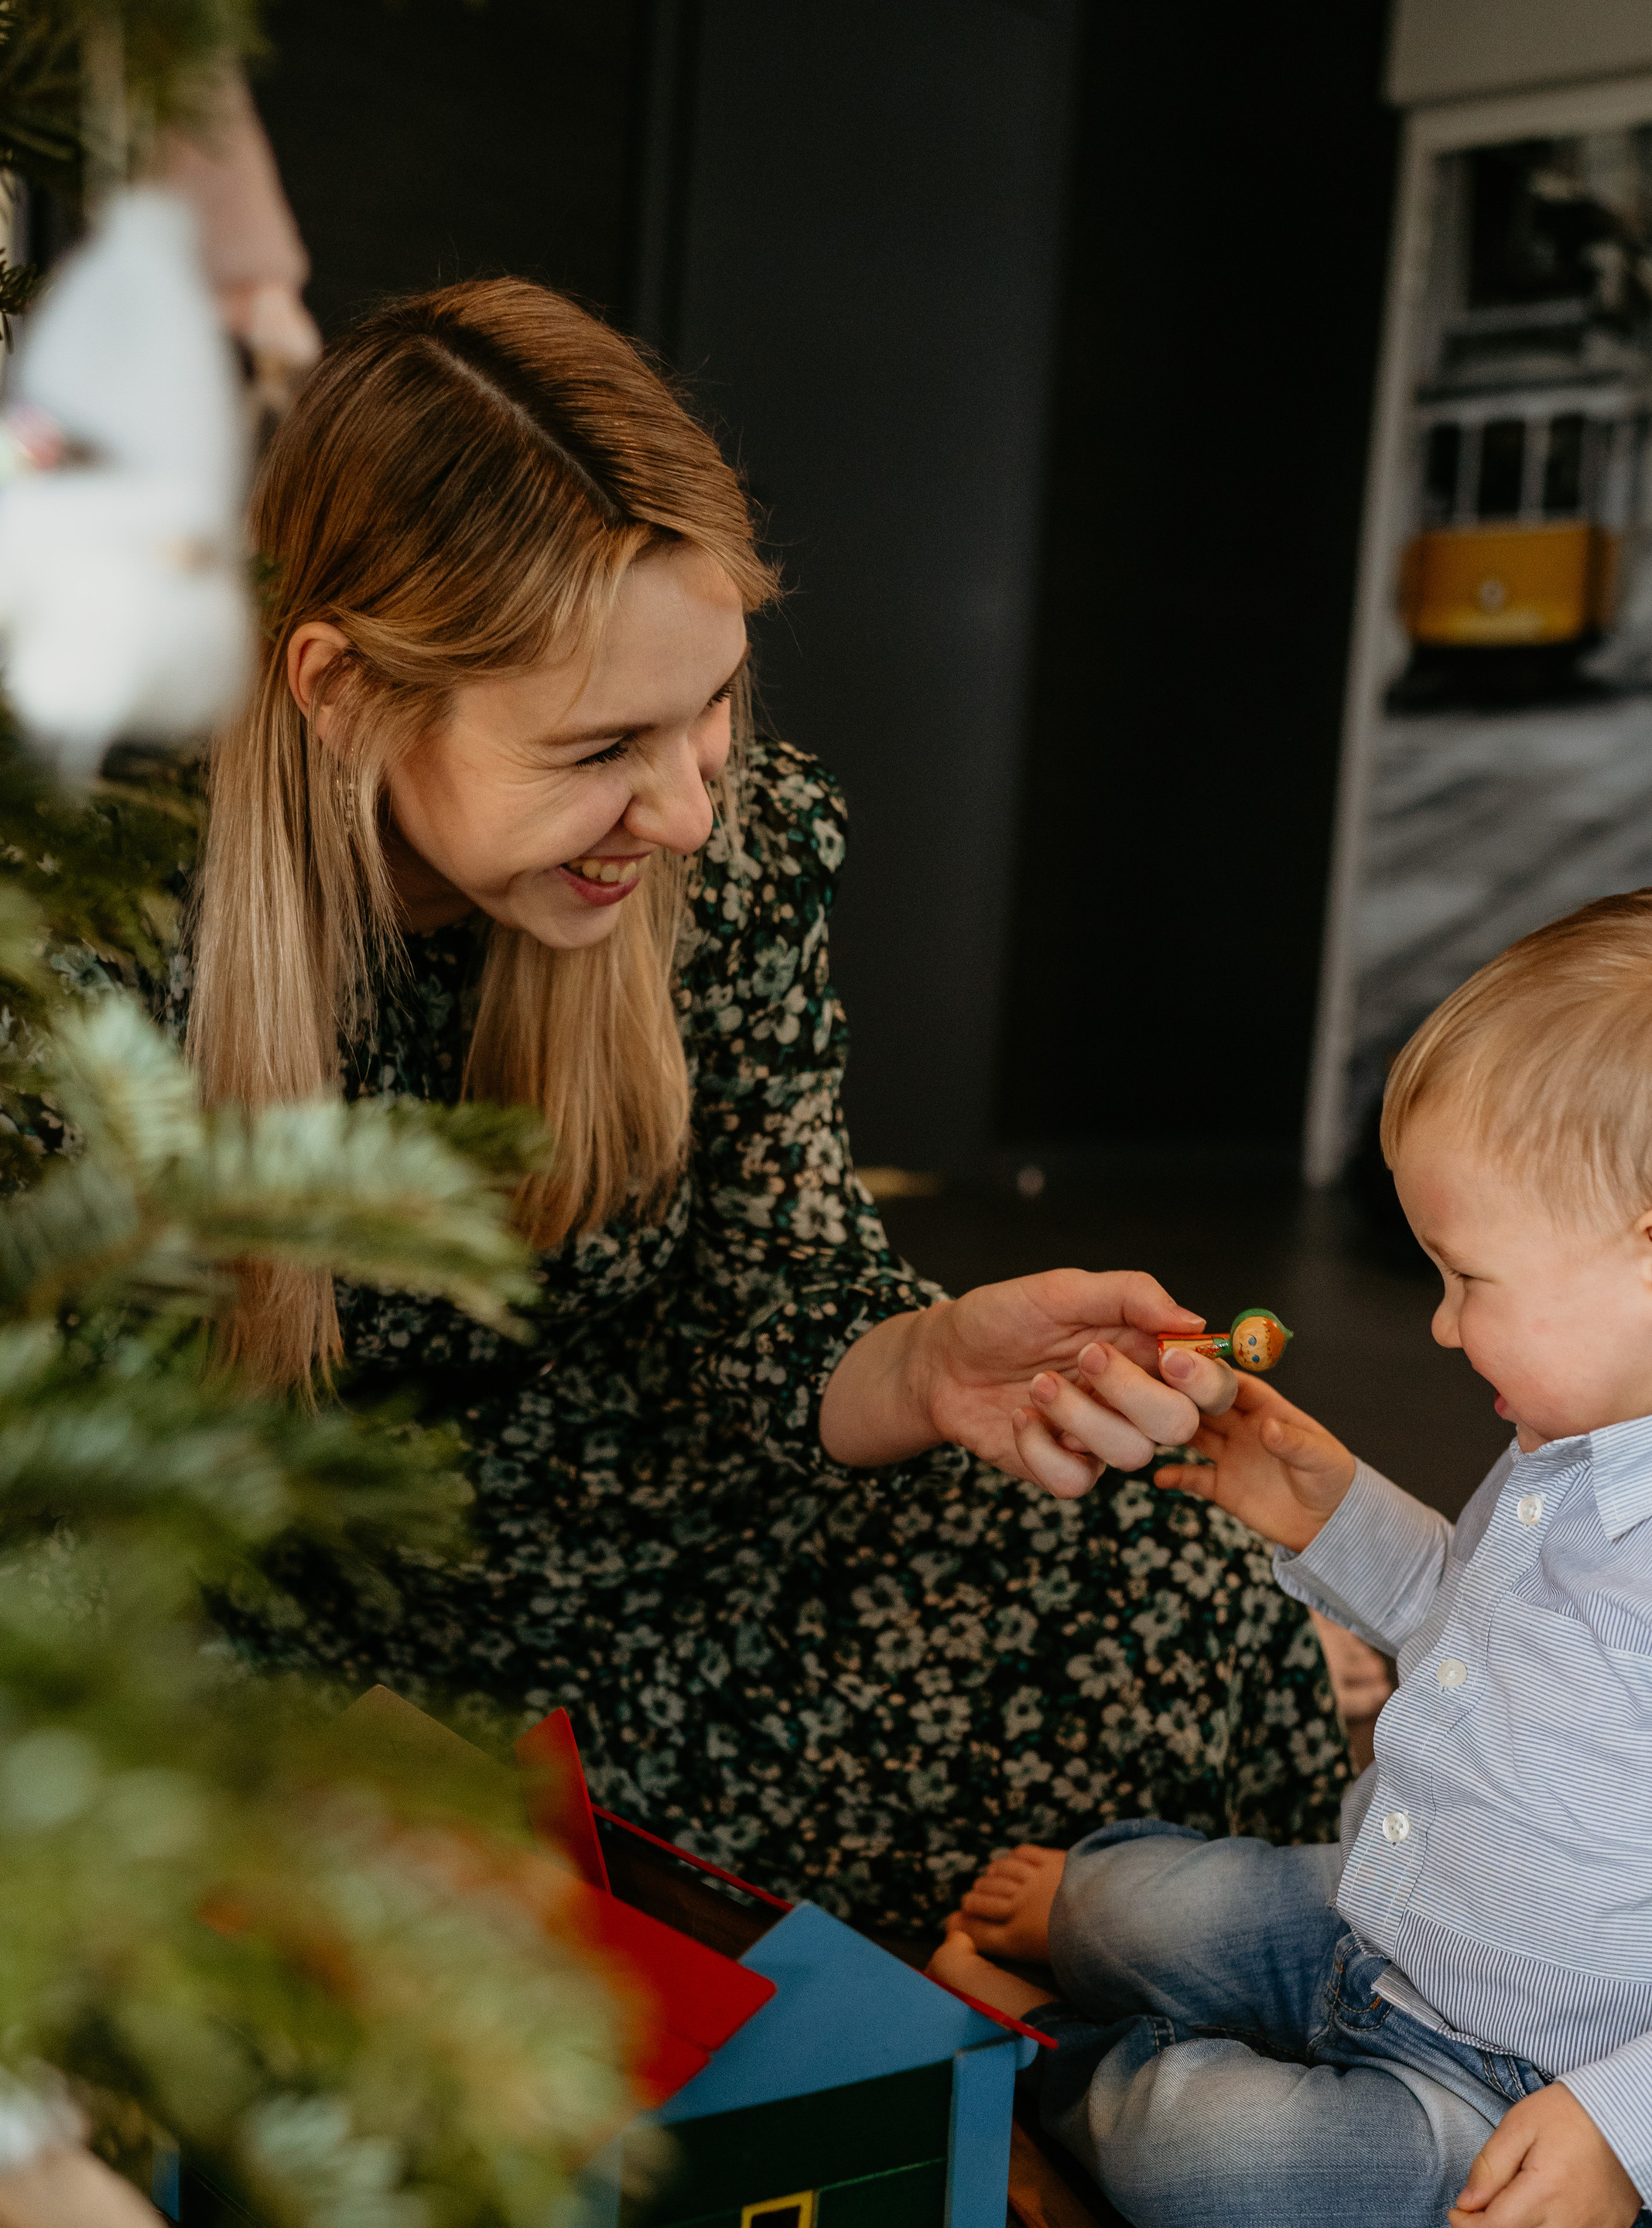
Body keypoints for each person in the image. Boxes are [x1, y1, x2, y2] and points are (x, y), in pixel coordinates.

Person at [169, 278, 1348, 1932]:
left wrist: (923, 1363)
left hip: (690, 1534)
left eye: (711, 705)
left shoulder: (728, 857)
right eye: (600, 747)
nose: (684, 811)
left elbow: (774, 1284)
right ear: (343, 691)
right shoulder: (108, 942)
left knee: (1194, 1609)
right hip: (311, 1621)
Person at [934, 888, 1652, 2228]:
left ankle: (1053, 2063)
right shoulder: (1599, 1426)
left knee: (1206, 2159)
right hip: (1402, 1924)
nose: (1439, 1324)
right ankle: (1113, 1959)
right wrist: (1330, 1512)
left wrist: (1629, 2129)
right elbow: (1484, 1632)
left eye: (1467, 1278)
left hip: (1548, 2118)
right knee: (1135, 1900)